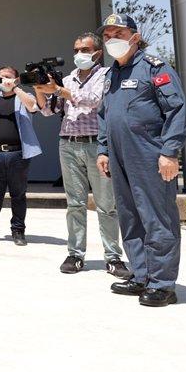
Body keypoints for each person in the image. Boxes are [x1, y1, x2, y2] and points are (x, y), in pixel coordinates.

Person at [97, 13, 186, 307]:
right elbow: (105, 115)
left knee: (156, 217)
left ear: (135, 38)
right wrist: (102, 149)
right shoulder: (111, 74)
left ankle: (163, 284)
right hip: (118, 155)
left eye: (119, 34)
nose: (112, 40)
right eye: (108, 35)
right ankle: (140, 274)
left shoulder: (154, 69)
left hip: (150, 154)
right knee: (130, 216)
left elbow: (176, 110)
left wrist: (170, 151)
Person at [34, 33, 132, 278]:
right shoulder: (67, 79)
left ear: (97, 53)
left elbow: (94, 101)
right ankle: (75, 253)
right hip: (68, 144)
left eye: (84, 50)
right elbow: (48, 111)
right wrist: (40, 90)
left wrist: (61, 91)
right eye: (76, 49)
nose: (79, 54)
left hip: (96, 146)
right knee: (74, 203)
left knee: (106, 205)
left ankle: (113, 256)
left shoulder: (106, 76)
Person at [0, 67, 41, 246]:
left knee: (18, 194)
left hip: (18, 153)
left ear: (16, 79)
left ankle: (18, 231)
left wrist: (17, 88)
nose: (3, 80)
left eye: (8, 77)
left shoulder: (22, 97)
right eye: (1, 77)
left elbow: (33, 106)